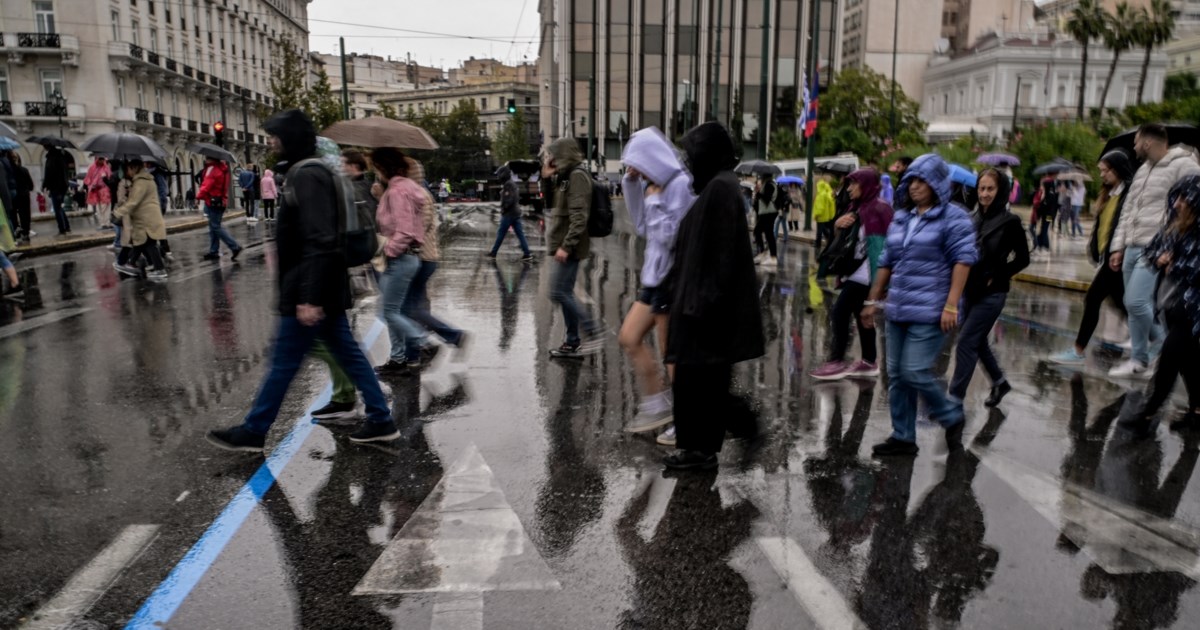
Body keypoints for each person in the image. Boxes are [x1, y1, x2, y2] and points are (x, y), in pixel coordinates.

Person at [206, 109, 398, 452]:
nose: (271, 141)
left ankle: (254, 430)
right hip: (322, 285)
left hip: (310, 289)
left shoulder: (307, 175)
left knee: (284, 361)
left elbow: (320, 238)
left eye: (276, 135)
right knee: (348, 355)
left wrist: (308, 297)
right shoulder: (310, 172)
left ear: (291, 138)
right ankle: (381, 419)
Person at [662, 122, 764, 470]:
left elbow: (721, 256)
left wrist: (700, 303)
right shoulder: (715, 187)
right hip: (697, 305)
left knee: (703, 385)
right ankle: (698, 448)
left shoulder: (721, 189)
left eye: (692, 154)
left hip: (705, 311)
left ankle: (706, 447)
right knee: (698, 383)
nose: (688, 162)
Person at [862, 154, 978, 457]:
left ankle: (951, 414)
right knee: (897, 376)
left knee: (913, 370)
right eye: (910, 180)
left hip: (931, 309)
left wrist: (952, 304)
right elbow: (886, 260)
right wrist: (873, 300)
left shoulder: (955, 217)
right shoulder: (903, 217)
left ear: (937, 183)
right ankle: (903, 436)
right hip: (898, 306)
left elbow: (963, 260)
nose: (913, 186)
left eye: (921, 180)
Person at [619, 128, 695, 436]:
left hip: (671, 279)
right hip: (654, 279)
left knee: (671, 355)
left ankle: (684, 419)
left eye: (636, 162)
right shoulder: (656, 185)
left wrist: (653, 202)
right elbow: (641, 226)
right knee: (629, 337)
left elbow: (672, 236)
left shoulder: (680, 185)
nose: (634, 167)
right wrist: (632, 183)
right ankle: (658, 403)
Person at [1109, 123, 1200, 378]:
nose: (1134, 147)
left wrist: (1174, 246)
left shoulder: (1184, 165)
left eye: (1136, 142)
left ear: (1147, 142)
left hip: (1156, 246)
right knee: (1133, 303)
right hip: (1131, 245)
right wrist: (1119, 245)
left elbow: (1193, 206)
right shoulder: (1142, 171)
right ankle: (1142, 357)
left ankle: (1154, 351)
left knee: (1137, 301)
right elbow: (1128, 210)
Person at [1120, 174, 1200, 436]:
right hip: (1172, 305)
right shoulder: (1175, 227)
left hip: (1192, 310)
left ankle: (1148, 414)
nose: (1176, 204)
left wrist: (1178, 265)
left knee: (1169, 360)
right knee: (1188, 362)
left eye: (1183, 199)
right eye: (1175, 198)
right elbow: (1151, 250)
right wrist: (1160, 259)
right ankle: (1197, 412)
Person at [949, 168, 1029, 408]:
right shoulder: (973, 218)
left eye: (990, 189)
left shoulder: (1010, 221)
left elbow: (1023, 258)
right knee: (976, 340)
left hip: (992, 294)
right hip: (969, 291)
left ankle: (954, 400)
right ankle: (999, 381)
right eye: (981, 189)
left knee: (965, 342)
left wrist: (998, 275)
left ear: (1001, 190)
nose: (984, 194)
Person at [1050, 150, 1135, 365]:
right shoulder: (1109, 194)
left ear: (1117, 169)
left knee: (1094, 298)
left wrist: (1119, 250)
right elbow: (1102, 226)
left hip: (1117, 258)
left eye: (1105, 170)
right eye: (1101, 171)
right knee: (1122, 303)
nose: (1102, 175)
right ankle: (1155, 339)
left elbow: (1125, 226)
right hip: (1108, 257)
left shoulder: (1129, 194)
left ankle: (1078, 351)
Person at [810, 168, 894, 380]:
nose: (849, 188)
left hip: (868, 274)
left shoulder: (880, 209)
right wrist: (838, 225)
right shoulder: (856, 207)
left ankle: (837, 361)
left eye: (853, 183)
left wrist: (881, 285)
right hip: (855, 270)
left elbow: (883, 249)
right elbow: (847, 241)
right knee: (861, 316)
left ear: (866, 185)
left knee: (839, 312)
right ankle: (868, 361)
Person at [371, 147, 438, 374]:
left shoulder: (398, 191)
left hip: (400, 258)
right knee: (391, 311)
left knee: (388, 312)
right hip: (406, 257)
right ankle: (399, 357)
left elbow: (406, 230)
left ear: (382, 167)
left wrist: (389, 250)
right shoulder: (402, 188)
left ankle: (423, 340)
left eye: (376, 167)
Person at [543, 137, 600, 359]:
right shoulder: (565, 176)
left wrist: (566, 247)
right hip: (564, 245)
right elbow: (549, 205)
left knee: (557, 292)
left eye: (553, 155)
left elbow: (579, 217)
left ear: (564, 154)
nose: (550, 159)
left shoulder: (577, 176)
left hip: (570, 247)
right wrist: (547, 178)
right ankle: (572, 341)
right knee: (563, 292)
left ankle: (593, 329)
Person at [111, 161, 169, 281]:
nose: (127, 173)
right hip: (146, 218)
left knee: (149, 243)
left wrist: (117, 212)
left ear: (134, 168)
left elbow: (134, 202)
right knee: (142, 242)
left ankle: (159, 269)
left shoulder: (141, 182)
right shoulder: (144, 180)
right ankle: (131, 265)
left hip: (146, 218)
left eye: (128, 170)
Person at [197, 156, 242, 261]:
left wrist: (198, 196)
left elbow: (206, 184)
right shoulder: (222, 168)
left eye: (207, 158)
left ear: (211, 159)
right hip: (220, 200)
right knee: (213, 227)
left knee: (215, 227)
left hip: (213, 201)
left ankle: (234, 246)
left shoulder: (213, 169)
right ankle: (213, 251)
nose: (205, 159)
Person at [487, 165, 533, 260]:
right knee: (520, 234)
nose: (498, 177)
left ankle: (493, 253)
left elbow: (509, 199)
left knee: (501, 233)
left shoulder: (508, 184)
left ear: (503, 175)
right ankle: (527, 253)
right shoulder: (512, 183)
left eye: (499, 175)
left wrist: (504, 208)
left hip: (509, 214)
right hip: (515, 213)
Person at [42, 146, 71, 235]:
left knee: (57, 208)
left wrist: (44, 185)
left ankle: (62, 228)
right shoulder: (61, 157)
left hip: (56, 187)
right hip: (62, 186)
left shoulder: (51, 158)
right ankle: (66, 226)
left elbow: (48, 174)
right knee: (59, 207)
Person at [751, 174, 779, 266]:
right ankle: (768, 255)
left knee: (761, 232)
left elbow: (767, 199)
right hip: (767, 212)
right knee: (766, 233)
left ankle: (769, 256)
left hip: (769, 212)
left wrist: (758, 193)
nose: (760, 177)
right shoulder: (768, 183)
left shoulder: (769, 184)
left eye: (761, 176)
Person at [9, 153, 33, 243]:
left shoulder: (8, 171)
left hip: (13, 196)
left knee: (13, 214)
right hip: (24, 195)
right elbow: (31, 185)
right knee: (25, 215)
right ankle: (26, 233)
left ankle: (16, 230)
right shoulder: (24, 170)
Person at [813, 178, 836, 253]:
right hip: (826, 216)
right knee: (823, 229)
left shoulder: (821, 195)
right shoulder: (826, 194)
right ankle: (828, 239)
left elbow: (820, 207)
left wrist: (816, 215)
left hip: (821, 216)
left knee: (819, 231)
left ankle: (818, 244)